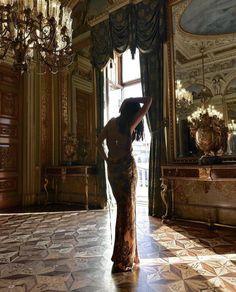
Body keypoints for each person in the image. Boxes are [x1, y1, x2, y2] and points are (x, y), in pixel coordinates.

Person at [97, 96, 152, 273]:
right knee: (129, 213)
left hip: (113, 171)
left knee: (124, 210)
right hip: (127, 171)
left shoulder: (112, 123)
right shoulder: (130, 124)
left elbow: (98, 143)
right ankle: (125, 258)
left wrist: (107, 160)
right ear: (133, 112)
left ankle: (132, 254)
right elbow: (149, 101)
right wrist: (131, 99)